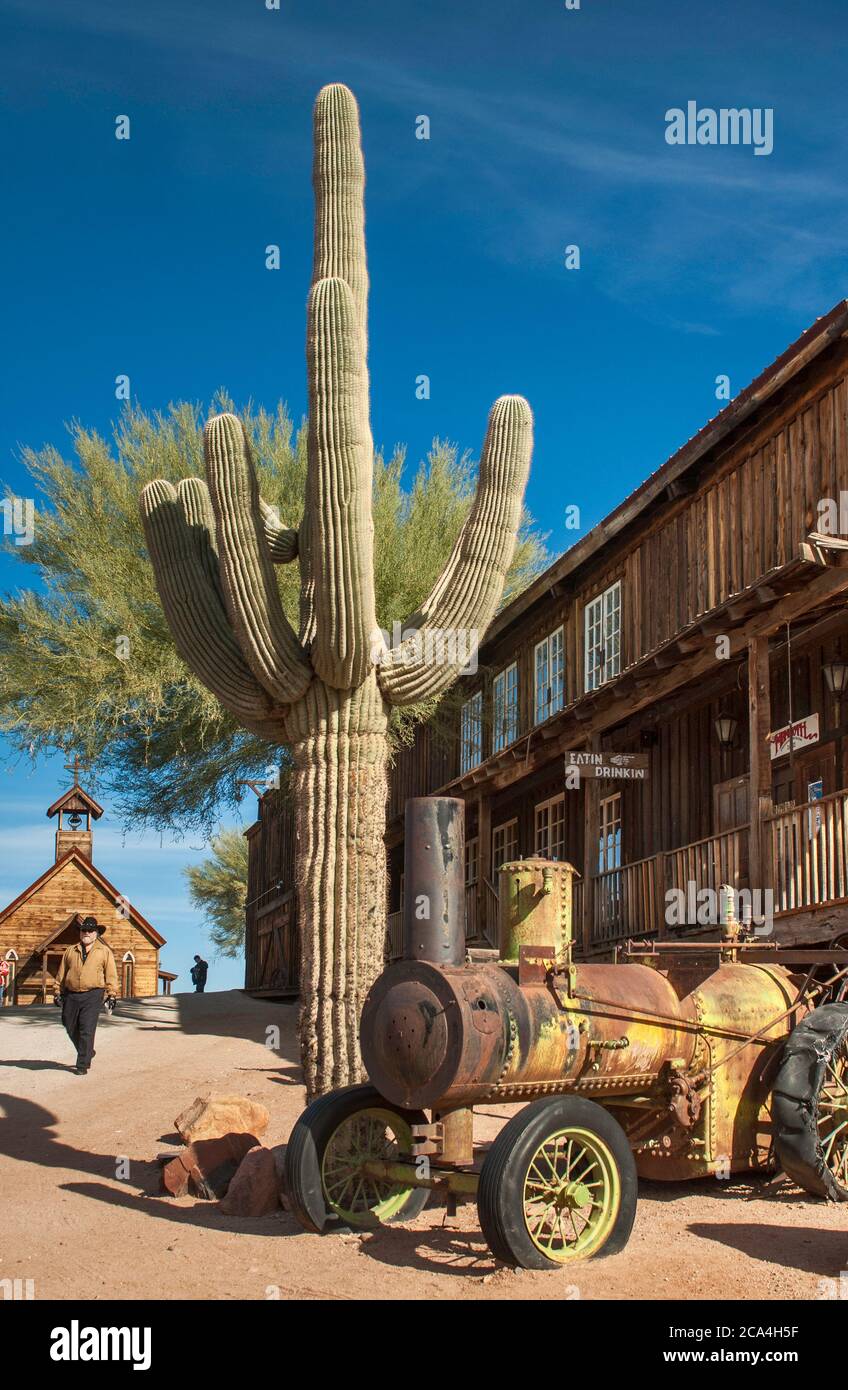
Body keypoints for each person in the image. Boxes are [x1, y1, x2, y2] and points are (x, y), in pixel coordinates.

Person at [53, 916, 118, 1075]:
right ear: (80, 933)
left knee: (86, 1028)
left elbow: (111, 974)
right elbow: (62, 973)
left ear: (96, 933)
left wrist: (112, 994)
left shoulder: (104, 951)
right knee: (69, 1024)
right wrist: (57, 991)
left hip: (93, 994)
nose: (86, 933)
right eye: (84, 930)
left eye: (90, 930)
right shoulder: (71, 950)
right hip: (71, 994)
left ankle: (82, 1064)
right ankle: (87, 1051)